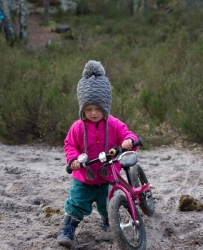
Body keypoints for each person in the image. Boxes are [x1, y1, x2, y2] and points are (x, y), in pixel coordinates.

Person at [57, 60, 138, 248]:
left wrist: (128, 141)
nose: (93, 113)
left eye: (98, 109)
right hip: (84, 177)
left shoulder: (114, 124)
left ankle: (107, 220)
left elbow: (128, 134)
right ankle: (67, 230)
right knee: (76, 203)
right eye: (88, 109)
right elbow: (69, 144)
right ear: (82, 109)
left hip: (108, 176)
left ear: (106, 107)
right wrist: (74, 159)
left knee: (107, 204)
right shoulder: (78, 127)